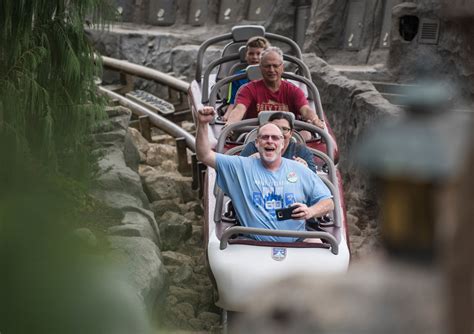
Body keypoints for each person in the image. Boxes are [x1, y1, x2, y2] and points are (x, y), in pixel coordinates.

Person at [196, 106, 334, 243]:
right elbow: (205, 155)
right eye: (265, 137)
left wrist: (310, 211)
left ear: (282, 144)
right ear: (257, 143)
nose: (270, 141)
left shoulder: (300, 168)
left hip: (297, 240)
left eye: (275, 138)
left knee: (316, 243)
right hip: (253, 241)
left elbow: (328, 202)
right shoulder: (240, 166)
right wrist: (202, 124)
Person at [225, 46, 325, 130]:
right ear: (260, 67)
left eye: (275, 66)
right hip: (257, 136)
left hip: (286, 137)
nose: (271, 70)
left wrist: (315, 120)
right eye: (267, 66)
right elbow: (239, 109)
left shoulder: (293, 90)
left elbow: (305, 110)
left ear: (282, 67)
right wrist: (230, 124)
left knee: (306, 135)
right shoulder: (249, 89)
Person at [240, 112, 317, 173]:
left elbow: (314, 184)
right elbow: (236, 175)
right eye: (276, 128)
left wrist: (306, 171)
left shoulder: (302, 151)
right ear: (257, 142)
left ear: (291, 133)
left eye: (284, 129)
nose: (280, 132)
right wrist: (247, 163)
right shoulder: (252, 148)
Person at [223, 36, 270, 121]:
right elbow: (233, 102)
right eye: (251, 53)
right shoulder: (238, 77)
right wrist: (227, 116)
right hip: (244, 116)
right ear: (246, 55)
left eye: (258, 54)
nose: (255, 57)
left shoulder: (274, 76)